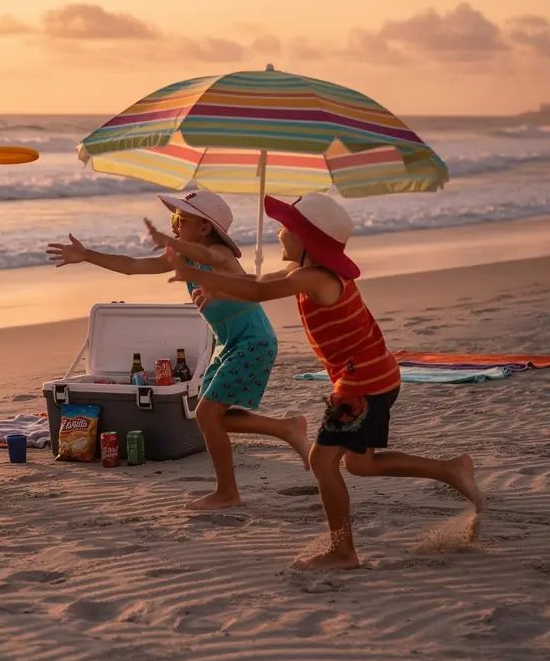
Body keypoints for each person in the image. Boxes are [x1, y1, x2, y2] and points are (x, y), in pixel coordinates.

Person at [166, 192, 483, 570]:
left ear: (306, 238)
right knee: (361, 465)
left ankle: (343, 551)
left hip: (360, 384)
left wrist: (198, 275)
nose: (280, 233)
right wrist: (218, 286)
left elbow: (259, 291)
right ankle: (450, 469)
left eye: (286, 228)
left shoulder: (314, 277)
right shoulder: (305, 273)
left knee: (322, 460)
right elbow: (259, 281)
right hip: (373, 378)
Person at [46, 191, 309, 510]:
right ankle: (285, 427)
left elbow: (244, 282)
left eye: (181, 219)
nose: (174, 224)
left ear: (204, 228)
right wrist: (87, 254)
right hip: (228, 342)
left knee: (207, 414)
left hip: (252, 341)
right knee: (212, 417)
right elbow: (132, 266)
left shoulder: (219, 254)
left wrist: (217, 288)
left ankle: (228, 492)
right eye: (174, 218)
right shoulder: (186, 256)